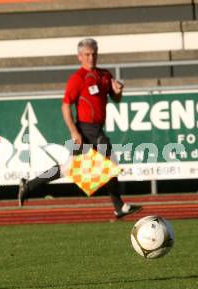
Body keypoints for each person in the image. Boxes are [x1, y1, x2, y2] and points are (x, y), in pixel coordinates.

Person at [18, 38, 142, 219]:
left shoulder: (105, 75)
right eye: (87, 54)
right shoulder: (78, 78)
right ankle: (119, 206)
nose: (91, 57)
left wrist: (118, 91)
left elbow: (116, 99)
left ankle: (28, 187)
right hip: (85, 129)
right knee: (109, 159)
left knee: (68, 168)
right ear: (79, 57)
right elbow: (65, 106)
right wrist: (74, 131)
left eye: (94, 54)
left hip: (96, 128)